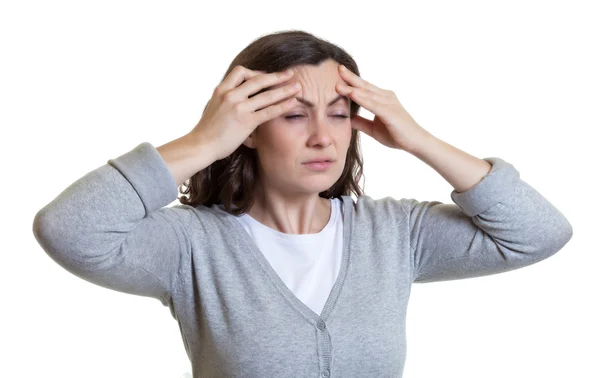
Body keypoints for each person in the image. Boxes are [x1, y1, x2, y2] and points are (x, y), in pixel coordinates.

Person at [32, 30, 573, 378]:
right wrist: (203, 142)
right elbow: (69, 230)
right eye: (294, 115)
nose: (324, 137)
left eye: (339, 114)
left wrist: (419, 138)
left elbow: (538, 233)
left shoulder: (395, 233)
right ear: (246, 128)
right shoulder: (191, 245)